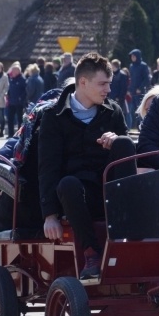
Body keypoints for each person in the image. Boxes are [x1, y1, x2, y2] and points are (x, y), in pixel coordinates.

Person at [38, 52, 136, 281]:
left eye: (109, 84)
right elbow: (47, 166)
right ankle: (91, 254)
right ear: (83, 82)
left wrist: (118, 139)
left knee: (124, 143)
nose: (108, 90)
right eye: (102, 84)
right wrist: (49, 215)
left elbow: (127, 156)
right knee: (68, 184)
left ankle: (127, 239)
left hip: (111, 193)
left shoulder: (113, 112)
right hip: (74, 197)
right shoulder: (54, 116)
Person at [6, 63, 27, 138]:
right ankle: (10, 134)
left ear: (19, 71)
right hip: (11, 102)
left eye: (15, 70)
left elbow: (25, 90)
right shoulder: (12, 79)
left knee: (19, 119)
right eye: (13, 70)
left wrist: (21, 98)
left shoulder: (22, 79)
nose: (13, 72)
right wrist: (8, 94)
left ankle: (19, 134)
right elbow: (10, 89)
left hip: (19, 103)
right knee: (10, 118)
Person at [128, 49, 151, 114]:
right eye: (131, 56)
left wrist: (140, 88)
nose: (132, 58)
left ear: (137, 56)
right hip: (133, 92)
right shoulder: (131, 66)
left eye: (134, 56)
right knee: (133, 111)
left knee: (140, 110)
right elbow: (131, 79)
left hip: (140, 92)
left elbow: (146, 79)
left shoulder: (143, 65)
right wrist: (129, 89)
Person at [109, 58, 130, 128]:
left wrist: (119, 97)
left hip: (118, 99)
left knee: (119, 114)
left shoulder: (122, 75)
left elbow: (123, 88)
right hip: (111, 97)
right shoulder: (111, 74)